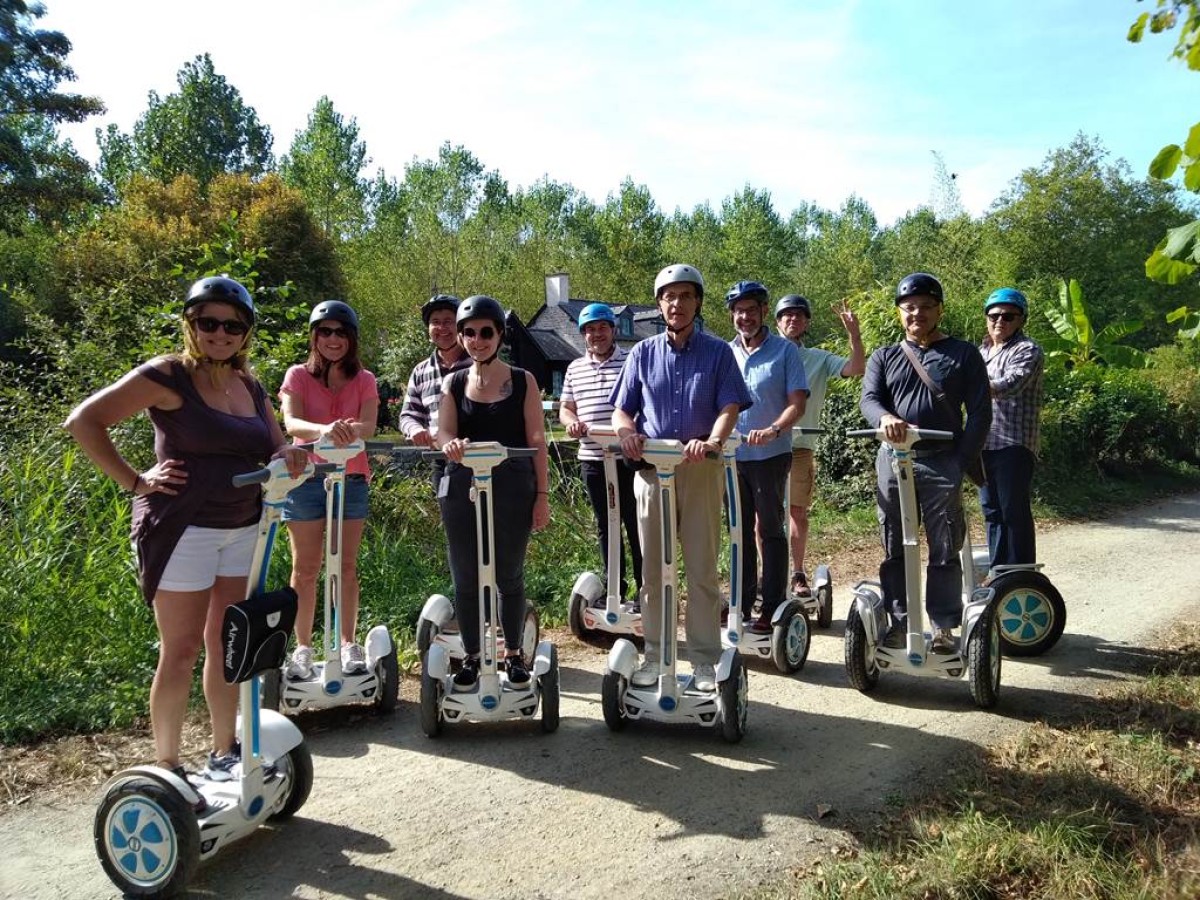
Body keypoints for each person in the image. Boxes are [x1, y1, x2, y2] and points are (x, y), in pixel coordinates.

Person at [64, 275, 307, 787]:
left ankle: (223, 750)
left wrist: (289, 456)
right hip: (182, 529)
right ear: (191, 324)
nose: (220, 333)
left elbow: (276, 445)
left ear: (246, 333)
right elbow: (84, 421)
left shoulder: (249, 385)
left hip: (242, 527)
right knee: (180, 650)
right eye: (208, 322)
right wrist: (136, 481)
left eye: (232, 325)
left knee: (227, 643)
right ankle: (169, 765)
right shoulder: (167, 375)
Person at [611, 264, 752, 691]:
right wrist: (626, 433)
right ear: (659, 304)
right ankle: (655, 654)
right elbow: (623, 407)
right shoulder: (642, 352)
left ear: (697, 303)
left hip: (699, 469)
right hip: (653, 472)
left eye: (685, 296)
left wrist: (711, 440)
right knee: (653, 571)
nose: (676, 304)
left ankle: (706, 661)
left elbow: (730, 407)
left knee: (701, 568)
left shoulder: (718, 353)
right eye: (669, 297)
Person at [859, 272, 992, 653]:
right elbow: (869, 399)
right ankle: (900, 624)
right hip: (893, 460)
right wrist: (883, 418)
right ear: (900, 312)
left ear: (939, 310)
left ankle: (943, 627)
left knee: (944, 545)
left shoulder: (963, 354)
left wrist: (960, 461)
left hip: (942, 462)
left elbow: (980, 414)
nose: (917, 313)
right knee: (894, 545)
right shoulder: (884, 356)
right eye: (909, 307)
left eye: (925, 307)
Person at [438, 295, 551, 691]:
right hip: (461, 487)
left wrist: (542, 495)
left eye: (485, 332)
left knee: (508, 574)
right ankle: (470, 656)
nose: (476, 339)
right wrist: (449, 445)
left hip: (513, 486)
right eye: (468, 333)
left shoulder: (523, 381)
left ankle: (514, 654)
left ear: (500, 334)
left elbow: (537, 439)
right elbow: (444, 431)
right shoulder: (453, 382)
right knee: (465, 576)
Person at [280, 300, 379, 679]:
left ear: (351, 338)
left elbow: (368, 426)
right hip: (305, 479)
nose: (333, 339)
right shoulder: (298, 376)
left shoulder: (364, 379)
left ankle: (347, 642)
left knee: (345, 566)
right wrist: (327, 430)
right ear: (314, 336)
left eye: (341, 332)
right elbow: (292, 421)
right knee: (305, 568)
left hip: (351, 477)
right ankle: (303, 647)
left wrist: (346, 429)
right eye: (325, 331)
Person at [726, 281, 808, 633]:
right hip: (732, 456)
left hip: (771, 454)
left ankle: (771, 605)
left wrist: (774, 429)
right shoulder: (725, 352)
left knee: (770, 529)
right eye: (738, 311)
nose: (745, 317)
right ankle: (740, 603)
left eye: (751, 310)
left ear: (763, 312)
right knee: (737, 530)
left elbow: (797, 404)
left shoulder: (784, 351)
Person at [775, 293, 865, 597]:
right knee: (763, 517)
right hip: (763, 446)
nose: (793, 319)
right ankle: (767, 577)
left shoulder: (818, 358)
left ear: (807, 322)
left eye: (799, 315)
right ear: (777, 321)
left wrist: (854, 335)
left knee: (797, 512)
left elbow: (856, 368)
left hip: (800, 443)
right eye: (786, 315)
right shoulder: (765, 353)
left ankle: (797, 573)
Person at [559, 303, 643, 603]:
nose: (597, 334)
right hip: (593, 459)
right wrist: (572, 424)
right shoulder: (574, 368)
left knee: (635, 523)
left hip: (628, 458)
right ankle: (614, 590)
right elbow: (566, 409)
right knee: (607, 524)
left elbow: (642, 403)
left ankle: (644, 587)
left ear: (613, 330)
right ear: (583, 334)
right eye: (591, 329)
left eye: (602, 328)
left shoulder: (631, 361)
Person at [978, 287, 1044, 567]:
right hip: (983, 443)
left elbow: (1010, 385)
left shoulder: (1027, 350)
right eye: (994, 315)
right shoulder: (980, 351)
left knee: (1012, 510)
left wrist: (968, 387)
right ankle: (998, 570)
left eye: (1008, 316)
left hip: (1014, 444)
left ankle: (1020, 573)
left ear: (1021, 320)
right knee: (991, 511)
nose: (999, 321)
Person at [399, 294, 471, 488]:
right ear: (428, 329)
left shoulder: (476, 365)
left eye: (449, 321)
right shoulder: (421, 371)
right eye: (435, 322)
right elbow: (407, 415)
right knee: (448, 516)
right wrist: (414, 429)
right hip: (440, 460)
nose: (442, 328)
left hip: (476, 456)